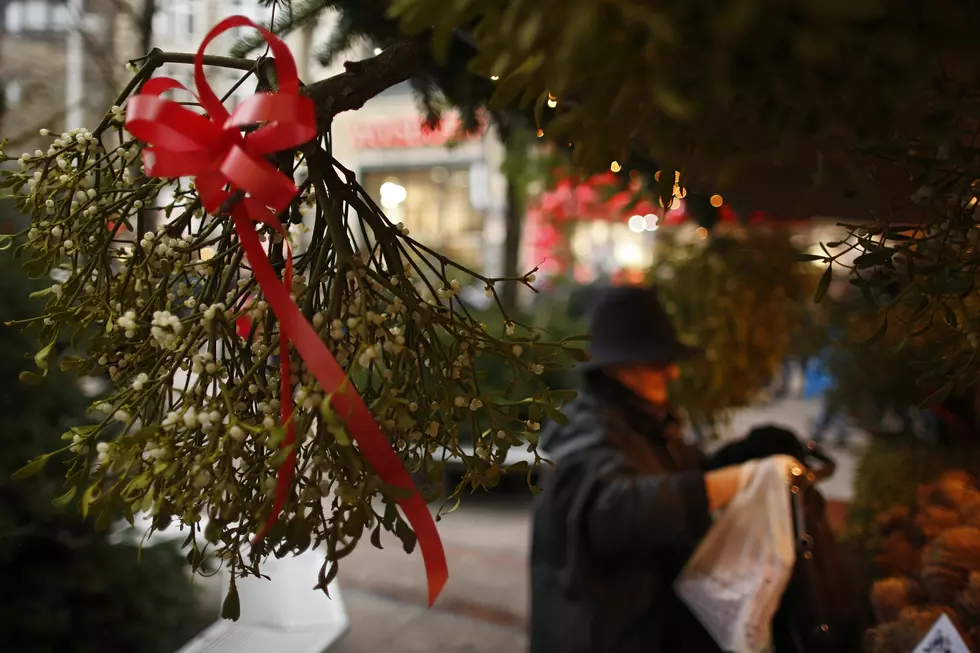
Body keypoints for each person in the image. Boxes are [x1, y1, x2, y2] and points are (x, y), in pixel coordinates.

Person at [529, 285, 801, 653]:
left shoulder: (648, 423)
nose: (672, 373)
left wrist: (743, 457)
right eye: (658, 362)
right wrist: (742, 479)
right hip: (600, 637)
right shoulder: (584, 431)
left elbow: (679, 479)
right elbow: (621, 508)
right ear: (618, 367)